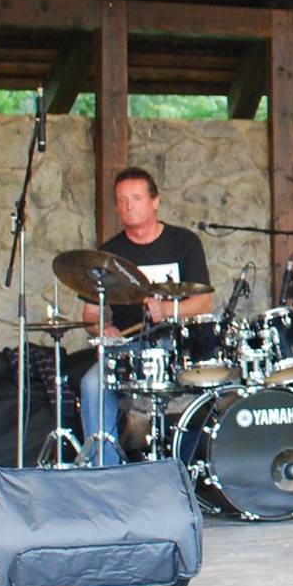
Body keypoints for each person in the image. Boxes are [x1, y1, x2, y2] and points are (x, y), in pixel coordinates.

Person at [78, 167, 213, 464]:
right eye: (122, 200)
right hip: (129, 348)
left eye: (136, 198)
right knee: (92, 384)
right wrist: (103, 329)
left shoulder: (183, 242)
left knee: (217, 380)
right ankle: (104, 472)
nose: (129, 206)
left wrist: (167, 310)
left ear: (155, 202)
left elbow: (203, 303)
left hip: (178, 345)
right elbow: (90, 314)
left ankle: (195, 464)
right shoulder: (109, 253)